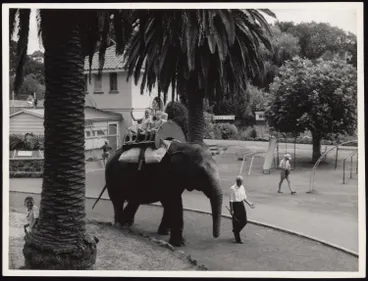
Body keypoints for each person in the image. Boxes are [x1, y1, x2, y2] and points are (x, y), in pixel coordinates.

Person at [229, 175, 255, 244]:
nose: (242, 183)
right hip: (235, 205)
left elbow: (244, 198)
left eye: (242, 181)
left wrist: (249, 204)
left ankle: (235, 231)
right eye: (241, 182)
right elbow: (231, 200)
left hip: (241, 204)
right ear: (237, 182)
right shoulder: (232, 189)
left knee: (244, 221)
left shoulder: (242, 187)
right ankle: (238, 239)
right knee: (236, 222)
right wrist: (232, 210)